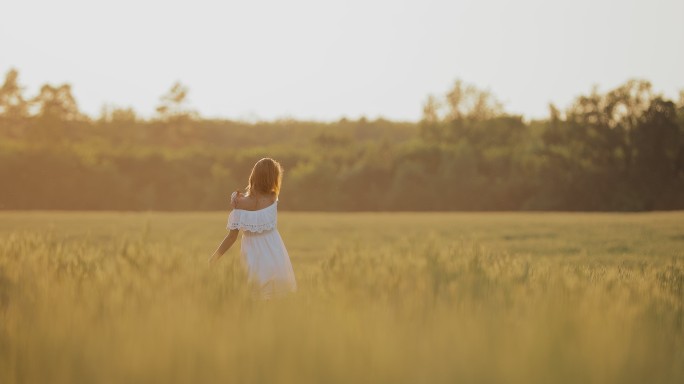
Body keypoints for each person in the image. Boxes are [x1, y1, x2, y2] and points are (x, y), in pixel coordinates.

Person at [208, 158, 297, 299]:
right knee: (275, 297)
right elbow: (261, 197)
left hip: (252, 255)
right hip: (274, 252)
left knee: (254, 296)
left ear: (254, 176)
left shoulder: (239, 204)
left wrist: (214, 258)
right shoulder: (273, 198)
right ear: (273, 179)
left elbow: (231, 237)